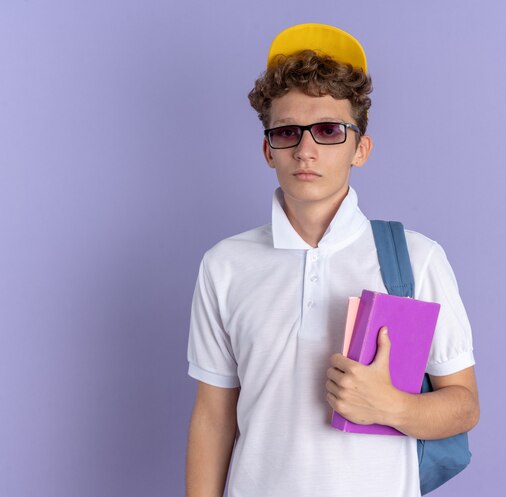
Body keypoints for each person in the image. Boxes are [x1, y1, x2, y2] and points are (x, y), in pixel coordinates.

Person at [185, 23, 479, 497]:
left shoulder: (416, 258)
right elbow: (213, 416)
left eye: (327, 130)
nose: (305, 150)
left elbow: (464, 406)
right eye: (286, 132)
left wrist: (391, 407)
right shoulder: (225, 265)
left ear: (360, 148)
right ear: (268, 149)